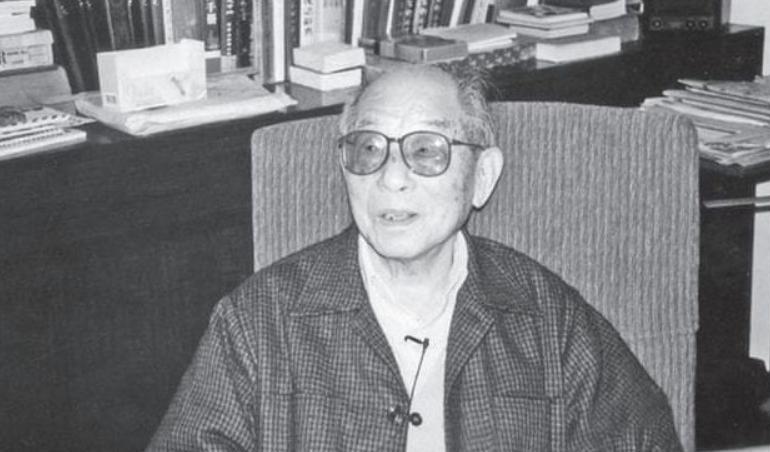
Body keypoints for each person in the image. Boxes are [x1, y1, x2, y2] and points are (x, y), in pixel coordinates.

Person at [146, 65, 682, 451]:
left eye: (426, 150)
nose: (392, 178)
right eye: (369, 149)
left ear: (483, 177)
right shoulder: (259, 322)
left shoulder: (547, 318)